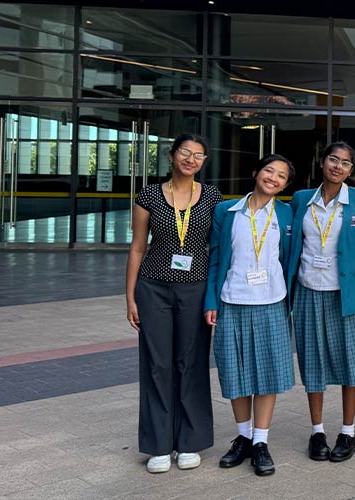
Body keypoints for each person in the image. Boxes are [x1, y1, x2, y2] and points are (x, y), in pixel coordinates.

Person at [127, 134, 222, 474]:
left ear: (204, 162)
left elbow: (217, 249)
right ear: (171, 155)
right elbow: (138, 247)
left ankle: (190, 442)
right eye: (185, 152)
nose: (191, 159)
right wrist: (130, 296)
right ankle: (158, 444)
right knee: (157, 364)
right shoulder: (149, 195)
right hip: (153, 288)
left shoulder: (212, 197)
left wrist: (214, 295)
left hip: (195, 288)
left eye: (198, 155)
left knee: (191, 363)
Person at [204, 155, 296, 477]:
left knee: (267, 372)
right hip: (232, 300)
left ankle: (261, 442)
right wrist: (210, 299)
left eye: (281, 176)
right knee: (236, 370)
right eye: (269, 171)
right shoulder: (226, 211)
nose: (274, 178)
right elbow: (215, 257)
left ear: (285, 185)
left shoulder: (287, 214)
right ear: (256, 172)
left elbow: (291, 257)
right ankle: (242, 438)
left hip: (271, 301)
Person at [285, 142, 355, 463]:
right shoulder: (301, 200)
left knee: (350, 363)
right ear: (322, 161)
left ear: (352, 170)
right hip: (308, 292)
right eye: (333, 159)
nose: (337, 166)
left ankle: (348, 433)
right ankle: (318, 431)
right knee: (313, 362)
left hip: (347, 296)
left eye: (345, 163)